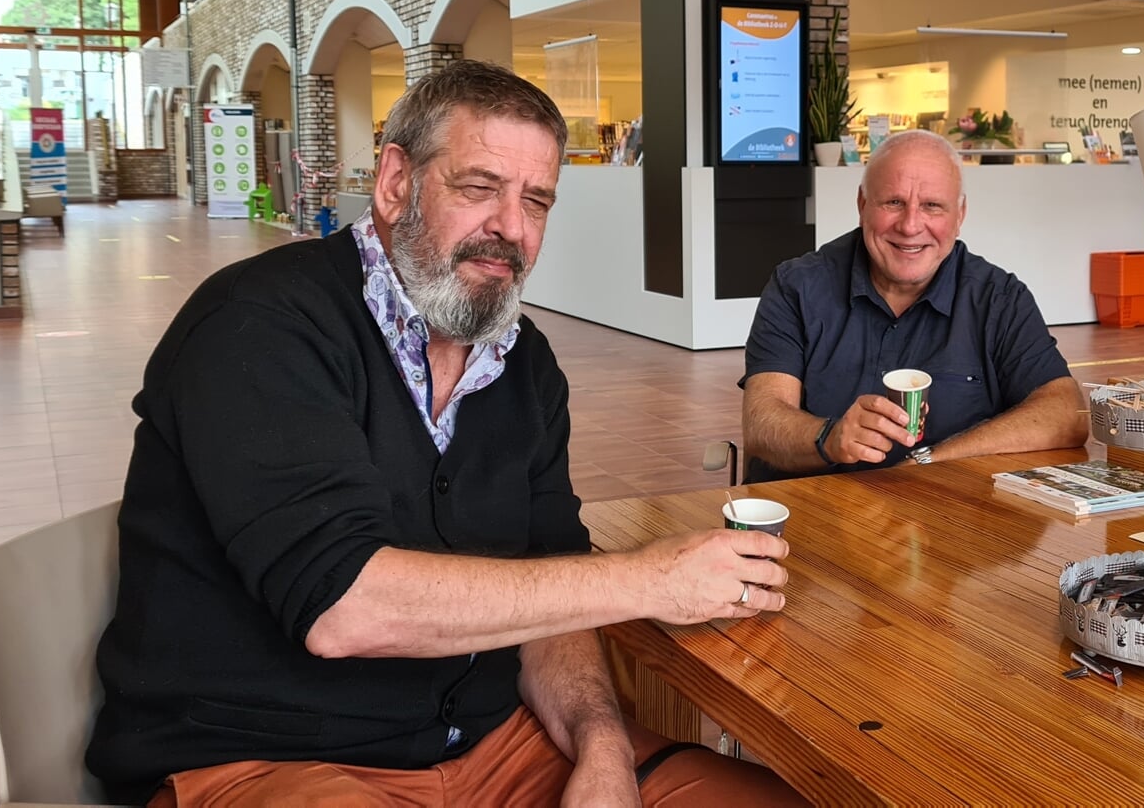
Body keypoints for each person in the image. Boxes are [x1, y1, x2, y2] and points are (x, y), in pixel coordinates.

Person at [87, 61, 798, 806]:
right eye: (478, 188)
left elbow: (552, 588)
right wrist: (649, 580)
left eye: (536, 201)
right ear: (396, 182)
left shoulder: (523, 363)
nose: (511, 228)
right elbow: (343, 607)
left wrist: (603, 750)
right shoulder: (259, 326)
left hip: (496, 747)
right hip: (264, 759)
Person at [740, 129, 1084, 480]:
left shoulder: (999, 298)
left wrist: (930, 459)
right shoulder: (797, 287)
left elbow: (1066, 412)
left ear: (960, 214)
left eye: (932, 206)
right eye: (893, 202)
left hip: (946, 517)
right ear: (862, 205)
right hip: (811, 514)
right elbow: (762, 421)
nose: (910, 225)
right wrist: (830, 438)